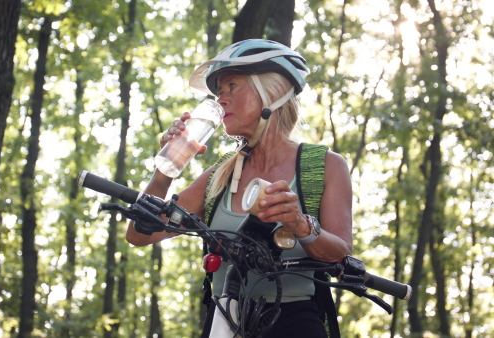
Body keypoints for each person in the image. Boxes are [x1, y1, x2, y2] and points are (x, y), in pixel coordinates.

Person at [126, 39, 353, 337]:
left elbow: (341, 255)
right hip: (223, 321)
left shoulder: (325, 166)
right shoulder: (218, 176)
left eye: (232, 86)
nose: (221, 99)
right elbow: (139, 234)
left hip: (295, 321)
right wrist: (167, 168)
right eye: (219, 91)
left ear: (272, 92)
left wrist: (300, 223)